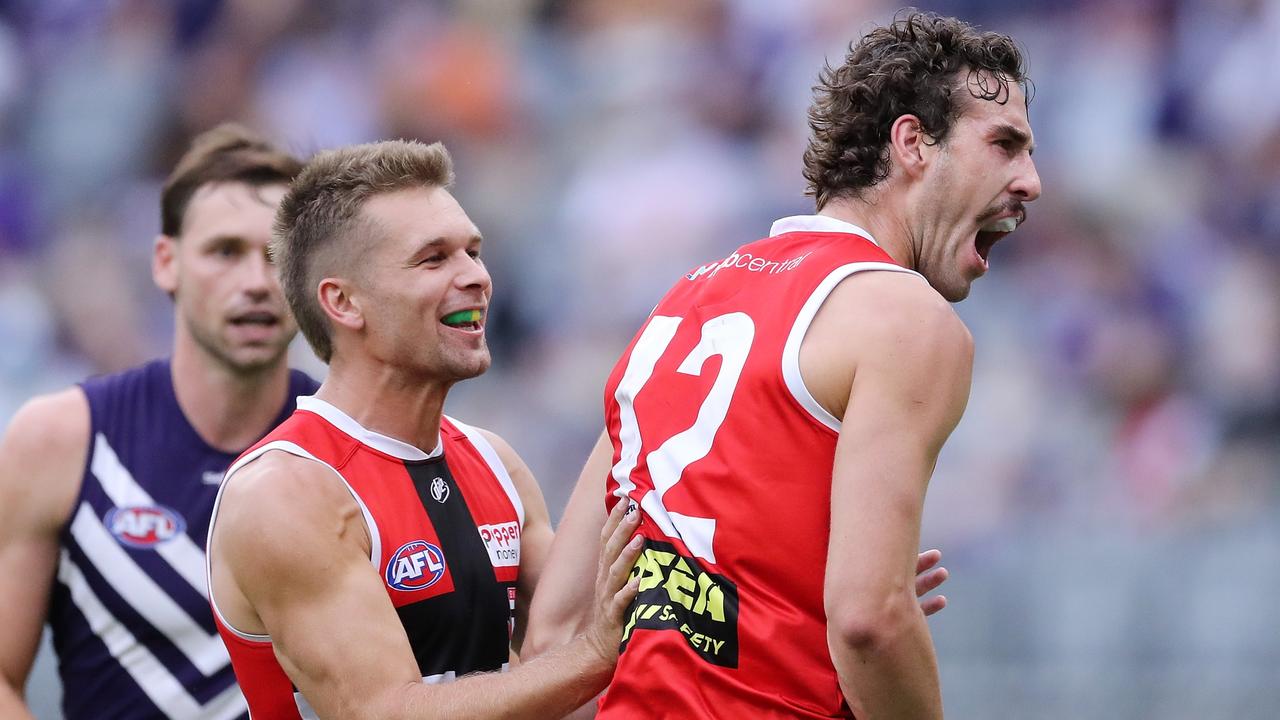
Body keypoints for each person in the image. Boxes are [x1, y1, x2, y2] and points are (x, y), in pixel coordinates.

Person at [525, 11, 1041, 719]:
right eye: (1005, 145)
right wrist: (868, 621)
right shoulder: (907, 318)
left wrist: (798, 602)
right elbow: (870, 621)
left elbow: (553, 633)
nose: (1032, 181)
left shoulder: (681, 304)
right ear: (913, 143)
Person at [204, 139, 643, 719]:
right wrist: (592, 656)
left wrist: (633, 410)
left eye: (473, 252)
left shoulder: (495, 462)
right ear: (343, 302)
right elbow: (386, 713)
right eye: (434, 259)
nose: (477, 277)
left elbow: (557, 644)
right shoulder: (286, 491)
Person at [0, 124, 317, 719]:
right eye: (225, 252)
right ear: (166, 263)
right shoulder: (63, 438)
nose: (255, 282)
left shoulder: (349, 446)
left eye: (278, 256)